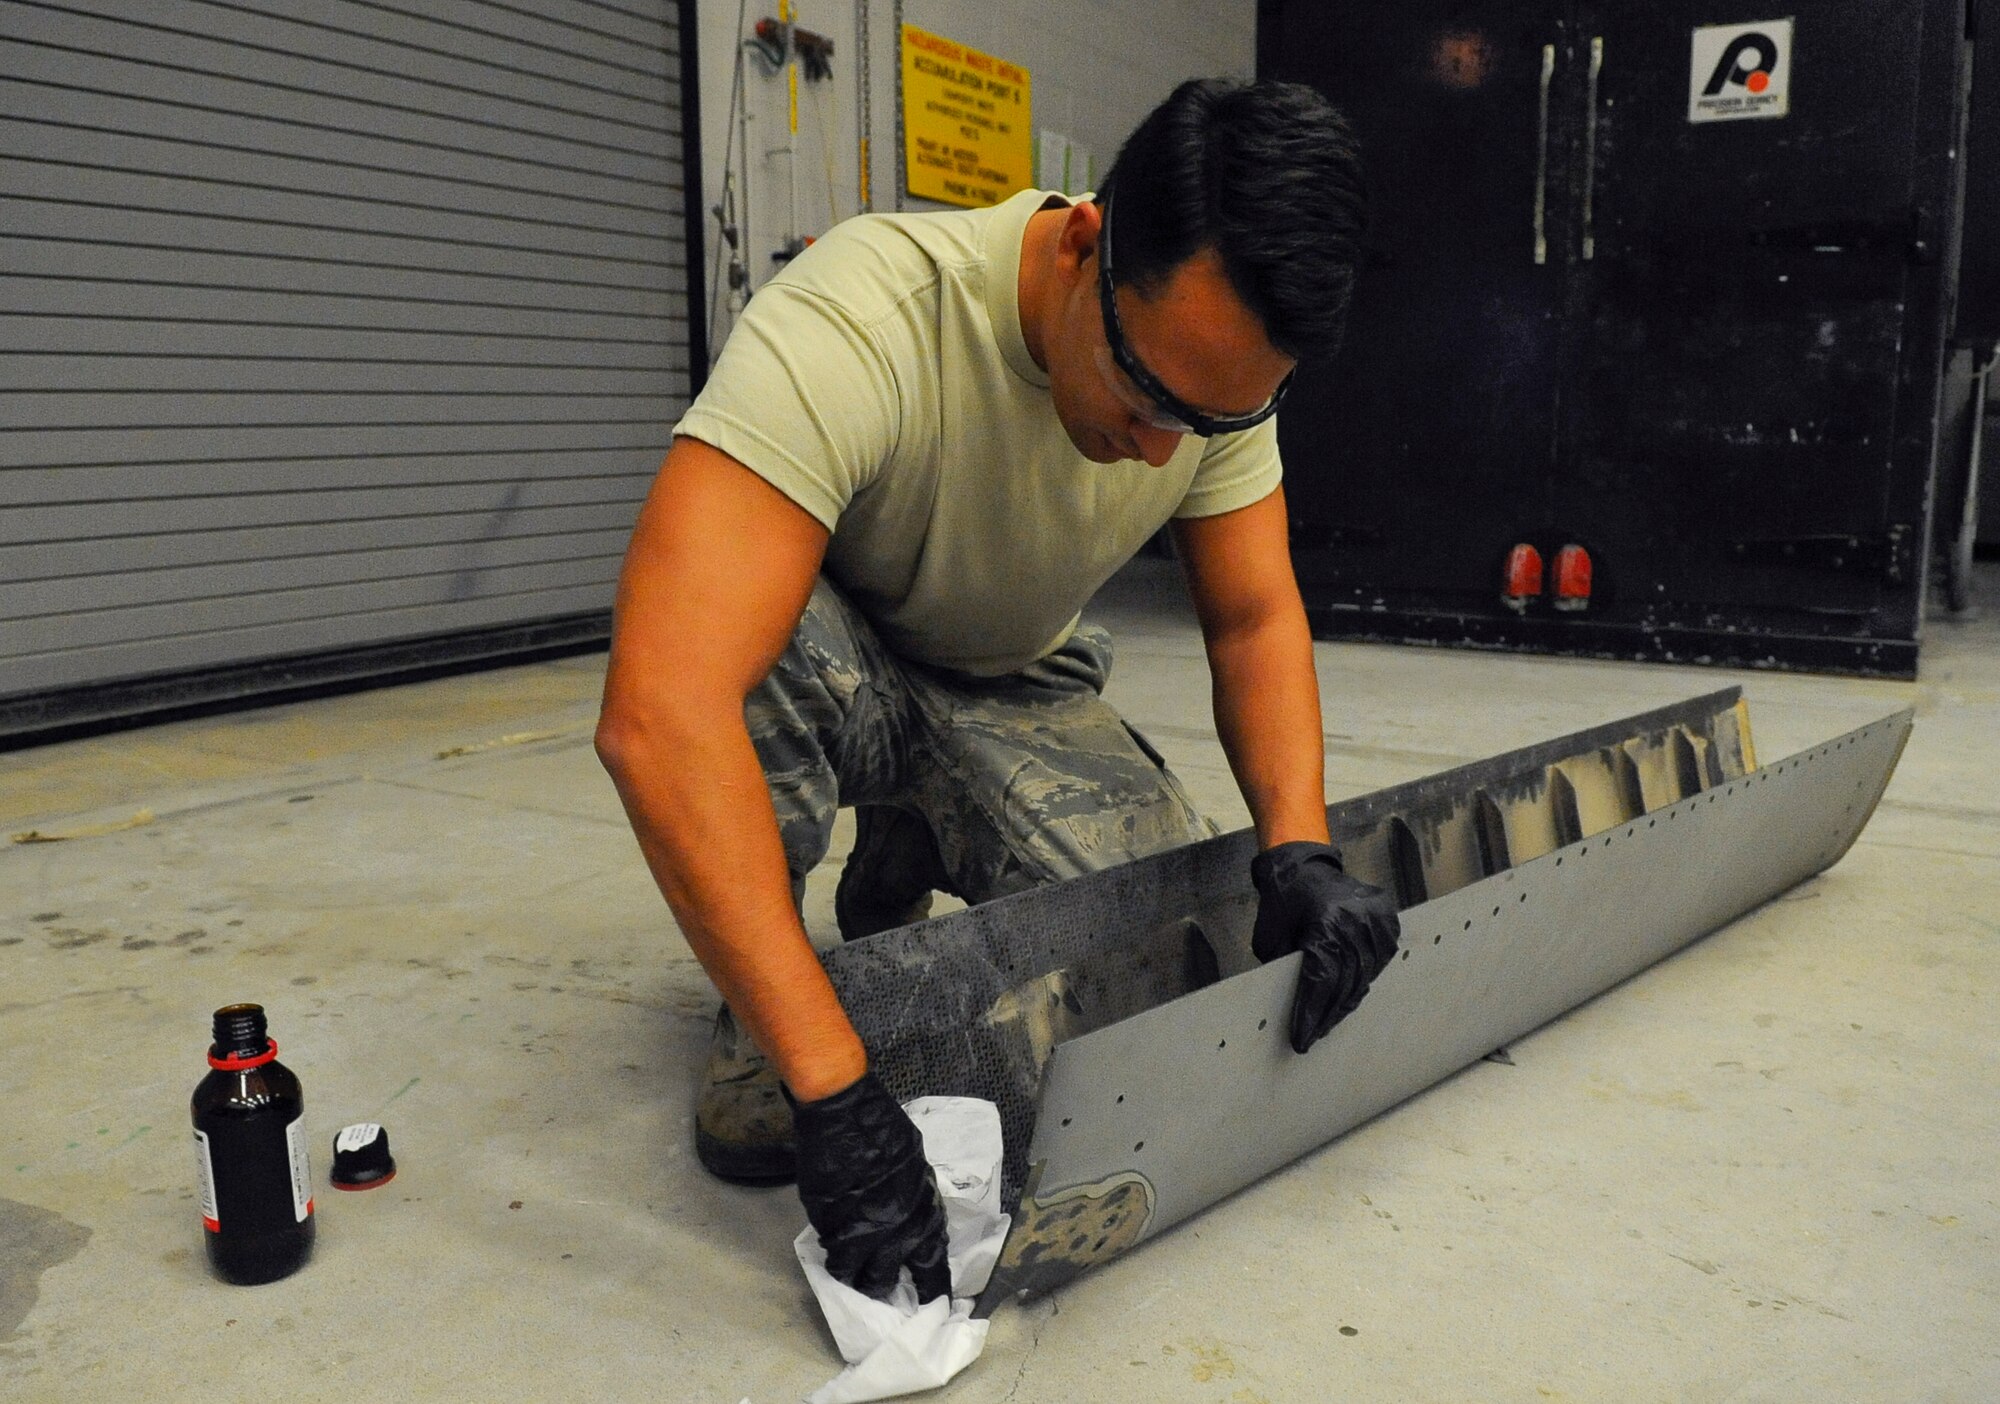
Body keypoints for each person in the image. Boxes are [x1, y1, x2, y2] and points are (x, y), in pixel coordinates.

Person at [595, 77, 1400, 1305]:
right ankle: (771, 1017)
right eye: (1144, 399)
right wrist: (829, 1084)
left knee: (1135, 981)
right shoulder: (864, 318)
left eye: (1207, 419)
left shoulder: (1208, 370)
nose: (1159, 452)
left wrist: (1298, 850)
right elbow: (660, 710)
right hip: (842, 664)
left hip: (1016, 682)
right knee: (749, 661)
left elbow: (1250, 617)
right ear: (1084, 246)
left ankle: (909, 840)